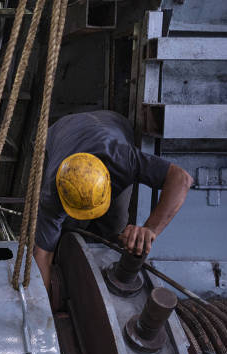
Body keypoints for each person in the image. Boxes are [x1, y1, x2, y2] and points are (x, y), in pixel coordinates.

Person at [33, 110, 194, 289]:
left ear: (109, 182)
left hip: (112, 122)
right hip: (62, 130)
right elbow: (43, 255)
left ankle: (101, 277)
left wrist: (150, 229)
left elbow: (181, 179)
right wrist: (44, 309)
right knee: (58, 231)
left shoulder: (123, 159)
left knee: (115, 227)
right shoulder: (52, 191)